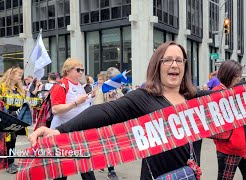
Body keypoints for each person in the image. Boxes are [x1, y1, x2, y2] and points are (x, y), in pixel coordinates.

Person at [29, 41, 212, 180]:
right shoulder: (144, 97)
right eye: (167, 60)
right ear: (157, 65)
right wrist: (58, 130)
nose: (174, 65)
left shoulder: (197, 97)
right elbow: (104, 112)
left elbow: (235, 96)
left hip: (190, 174)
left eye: (179, 60)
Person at [49, 58, 95, 180]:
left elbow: (83, 105)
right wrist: (76, 102)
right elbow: (56, 109)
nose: (81, 72)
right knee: (62, 168)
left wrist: (91, 96)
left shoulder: (79, 85)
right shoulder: (60, 85)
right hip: (62, 131)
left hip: (79, 131)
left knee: (86, 165)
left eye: (82, 70)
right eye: (78, 70)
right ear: (68, 71)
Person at [212, 60, 246, 180]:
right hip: (229, 147)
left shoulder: (235, 90)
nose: (239, 79)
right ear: (229, 75)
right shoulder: (217, 92)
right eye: (237, 76)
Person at [0, 66, 25, 174]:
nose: (20, 77)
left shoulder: (19, 89)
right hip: (4, 117)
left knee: (12, 141)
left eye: (21, 75)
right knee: (7, 140)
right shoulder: (2, 87)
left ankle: (10, 162)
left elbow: (24, 102)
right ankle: (8, 163)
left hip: (15, 119)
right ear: (11, 75)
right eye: (19, 75)